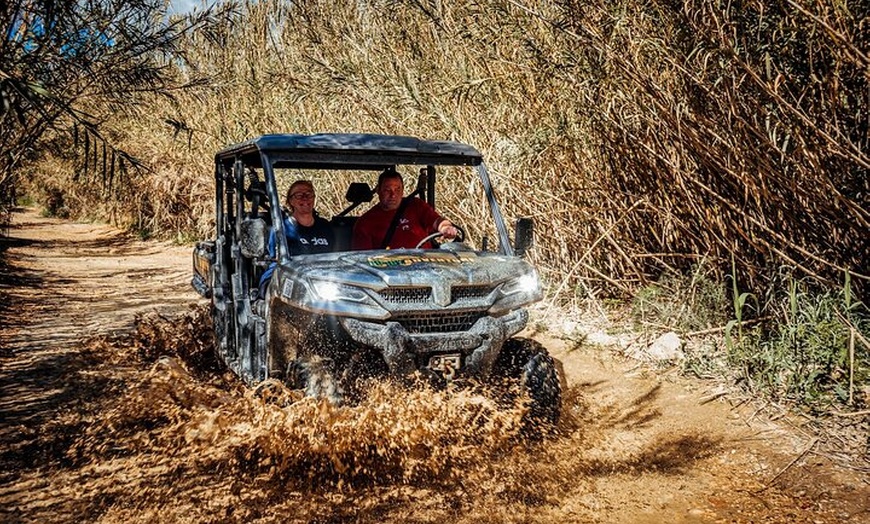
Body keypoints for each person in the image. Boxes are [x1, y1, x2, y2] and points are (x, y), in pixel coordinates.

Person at [258, 180, 334, 297]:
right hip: (290, 278)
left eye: (308, 194)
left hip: (323, 280)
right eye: (299, 195)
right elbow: (276, 261)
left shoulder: (325, 226)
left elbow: (334, 258)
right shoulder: (280, 229)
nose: (304, 198)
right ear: (291, 201)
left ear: (314, 198)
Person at [352, 167, 459, 250]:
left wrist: (446, 228)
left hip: (425, 268)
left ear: (403, 190)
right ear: (378, 191)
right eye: (387, 190)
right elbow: (362, 259)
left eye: (397, 189)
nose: (393, 195)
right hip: (391, 273)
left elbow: (436, 221)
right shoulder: (365, 223)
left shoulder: (416, 206)